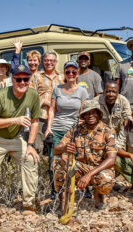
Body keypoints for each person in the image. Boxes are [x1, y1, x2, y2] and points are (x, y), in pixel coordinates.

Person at [0, 64, 41, 221]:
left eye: (26, 79)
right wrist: (15, 120)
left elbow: (35, 120)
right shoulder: (0, 96)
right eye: (19, 79)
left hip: (15, 138)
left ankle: (29, 203)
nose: (22, 82)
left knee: (30, 161)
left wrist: (30, 145)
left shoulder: (33, 94)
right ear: (13, 79)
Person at [53, 100, 117, 209]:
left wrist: (89, 175)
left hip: (98, 169)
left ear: (99, 114)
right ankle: (63, 199)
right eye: (87, 113)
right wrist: (64, 148)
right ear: (83, 116)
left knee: (106, 179)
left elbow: (111, 159)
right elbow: (55, 150)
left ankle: (99, 194)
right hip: (79, 167)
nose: (90, 116)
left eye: (93, 112)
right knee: (58, 159)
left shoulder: (108, 131)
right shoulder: (76, 129)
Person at [45, 61, 89, 199]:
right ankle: (56, 189)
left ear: (77, 74)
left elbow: (83, 114)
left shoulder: (82, 91)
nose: (71, 74)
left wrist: (79, 131)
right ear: (64, 73)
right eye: (68, 71)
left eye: (74, 72)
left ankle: (79, 187)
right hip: (57, 128)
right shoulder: (57, 89)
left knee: (76, 158)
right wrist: (48, 128)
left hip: (73, 130)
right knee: (54, 158)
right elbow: (52, 110)